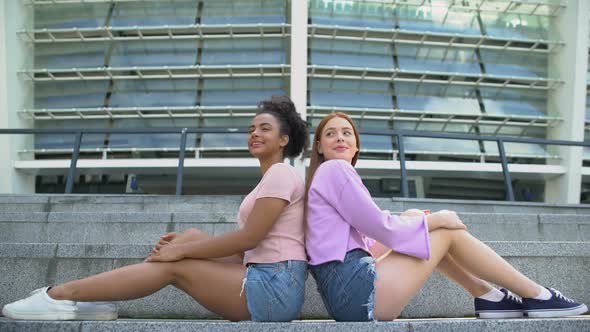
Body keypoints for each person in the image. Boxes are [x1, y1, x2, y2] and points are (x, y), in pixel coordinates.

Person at [2, 95, 309, 322]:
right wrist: (187, 244)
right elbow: (245, 253)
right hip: (266, 276)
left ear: (284, 139)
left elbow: (247, 240)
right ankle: (90, 303)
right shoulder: (269, 180)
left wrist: (182, 253)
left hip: (276, 290)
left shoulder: (282, 174)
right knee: (189, 236)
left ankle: (61, 294)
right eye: (251, 128)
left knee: (175, 265)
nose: (254, 133)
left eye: (264, 128)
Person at [305, 112, 588, 321]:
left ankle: (487, 295)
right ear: (319, 147)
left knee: (418, 221)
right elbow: (383, 230)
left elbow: (370, 241)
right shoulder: (335, 171)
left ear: (356, 146)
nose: (340, 137)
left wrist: (416, 220)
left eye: (346, 133)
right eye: (330, 134)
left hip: (346, 296)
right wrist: (437, 219)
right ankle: (537, 295)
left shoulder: (329, 178)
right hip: (357, 293)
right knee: (446, 231)